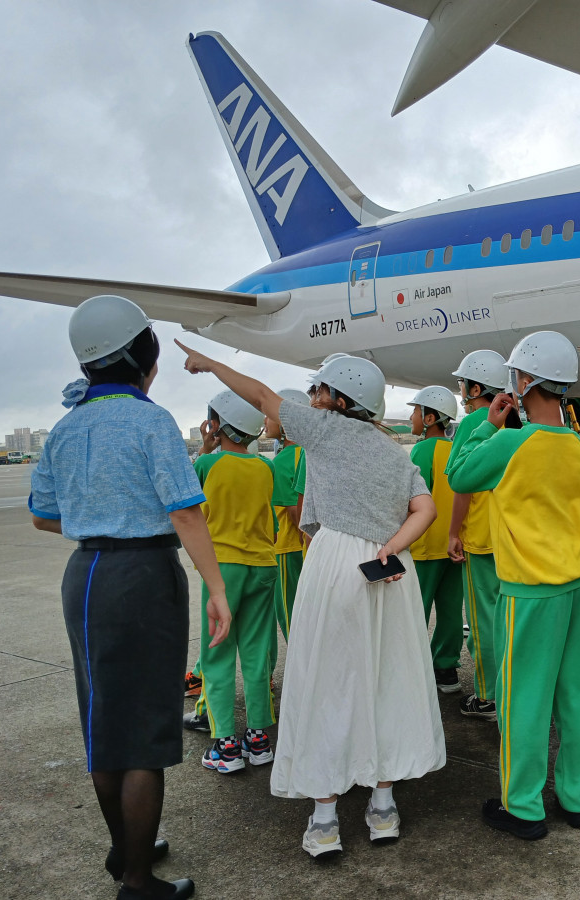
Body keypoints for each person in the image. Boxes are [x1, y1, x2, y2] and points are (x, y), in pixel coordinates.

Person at [174, 343, 446, 859]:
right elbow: (425, 508)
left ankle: (325, 821)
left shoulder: (323, 429)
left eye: (320, 389)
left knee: (327, 683)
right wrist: (391, 547)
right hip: (390, 567)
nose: (313, 396)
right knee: (386, 680)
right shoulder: (396, 448)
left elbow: (259, 394)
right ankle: (383, 809)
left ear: (338, 399)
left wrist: (209, 363)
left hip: (336, 560)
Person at [29, 294, 231, 900]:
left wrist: (98, 512)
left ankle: (126, 848)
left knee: (103, 721)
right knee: (142, 729)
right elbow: (187, 513)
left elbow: (43, 516)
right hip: (142, 575)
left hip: (85, 574)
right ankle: (140, 883)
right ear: (143, 352)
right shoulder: (150, 421)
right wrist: (216, 588)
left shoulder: (66, 427)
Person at [448, 331, 580, 840]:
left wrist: (483, 424)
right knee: (579, 696)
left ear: (523, 382)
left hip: (531, 591)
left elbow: (459, 475)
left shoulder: (511, 442)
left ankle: (525, 808)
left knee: (525, 700)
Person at [192, 389, 279, 775]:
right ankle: (259, 739)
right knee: (258, 654)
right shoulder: (265, 467)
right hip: (264, 565)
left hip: (223, 568)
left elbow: (184, 504)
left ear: (217, 424)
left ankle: (225, 743)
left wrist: (204, 446)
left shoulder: (208, 465)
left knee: (218, 654)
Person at [446, 349, 508, 721]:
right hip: (511, 537)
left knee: (484, 623)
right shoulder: (517, 420)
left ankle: (488, 696)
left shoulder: (474, 424)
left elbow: (462, 486)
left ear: (475, 387)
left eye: (462, 384)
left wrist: (454, 532)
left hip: (481, 539)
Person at [407, 385, 466, 693]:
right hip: (454, 544)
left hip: (424, 546)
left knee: (415, 610)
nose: (411, 416)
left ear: (430, 418)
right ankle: (446, 669)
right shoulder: (455, 447)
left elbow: (412, 497)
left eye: (415, 411)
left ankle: (411, 672)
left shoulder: (421, 450)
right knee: (450, 610)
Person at [267, 388, 310, 683]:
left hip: (288, 550)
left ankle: (304, 675)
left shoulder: (280, 461)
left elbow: (295, 512)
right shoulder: (309, 452)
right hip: (309, 549)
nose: (264, 423)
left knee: (291, 616)